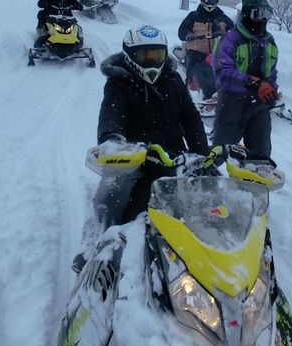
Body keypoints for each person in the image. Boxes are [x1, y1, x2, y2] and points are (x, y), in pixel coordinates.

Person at [72, 25, 211, 271]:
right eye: (144, 55)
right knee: (112, 195)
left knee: (203, 194)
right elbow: (111, 114)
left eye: (156, 55)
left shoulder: (173, 79)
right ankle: (97, 242)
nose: (151, 61)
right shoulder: (119, 82)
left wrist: (201, 153)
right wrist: (113, 140)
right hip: (132, 156)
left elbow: (190, 116)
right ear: (129, 55)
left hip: (171, 155)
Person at [211, 0, 278, 159]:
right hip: (232, 104)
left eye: (266, 14)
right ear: (246, 13)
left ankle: (255, 183)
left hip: (258, 107)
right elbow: (222, 73)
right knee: (220, 153)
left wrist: (272, 91)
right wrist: (252, 83)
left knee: (261, 156)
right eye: (258, 14)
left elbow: (272, 72)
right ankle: (209, 181)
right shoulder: (230, 39)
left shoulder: (269, 41)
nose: (262, 20)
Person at [178, 0, 233, 100]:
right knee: (204, 72)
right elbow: (182, 30)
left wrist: (224, 34)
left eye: (212, 1)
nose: (209, 3)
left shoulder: (222, 18)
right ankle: (206, 97)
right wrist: (188, 34)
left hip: (217, 53)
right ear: (202, 1)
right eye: (207, 0)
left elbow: (234, 31)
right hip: (196, 51)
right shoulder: (194, 16)